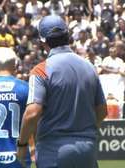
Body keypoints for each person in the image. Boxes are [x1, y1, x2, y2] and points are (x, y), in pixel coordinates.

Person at [16, 15, 107, 168]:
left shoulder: (40, 70)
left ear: (41, 42)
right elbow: (102, 110)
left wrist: (22, 145)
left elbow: (32, 113)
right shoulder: (89, 67)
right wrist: (85, 134)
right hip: (87, 149)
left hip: (53, 151)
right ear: (68, 36)